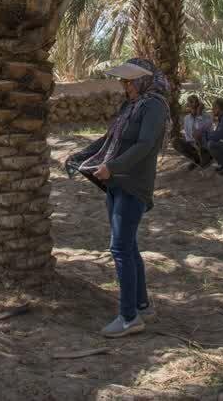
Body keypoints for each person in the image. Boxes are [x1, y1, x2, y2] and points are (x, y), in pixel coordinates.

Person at [64, 58, 168, 338]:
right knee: (128, 246)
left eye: (129, 81)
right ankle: (142, 306)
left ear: (144, 80)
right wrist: (81, 155)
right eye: (124, 81)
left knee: (120, 248)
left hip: (134, 184)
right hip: (115, 183)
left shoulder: (154, 106)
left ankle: (129, 317)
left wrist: (113, 166)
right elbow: (109, 139)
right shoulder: (130, 106)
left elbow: (145, 144)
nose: (125, 86)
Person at [172, 95, 212, 168]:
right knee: (175, 141)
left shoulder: (207, 116)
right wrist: (192, 144)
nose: (192, 107)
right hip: (193, 144)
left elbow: (199, 129)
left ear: (199, 105)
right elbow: (188, 135)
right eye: (190, 104)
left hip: (205, 144)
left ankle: (206, 156)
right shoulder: (187, 118)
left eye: (194, 104)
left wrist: (199, 115)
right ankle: (195, 159)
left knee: (197, 133)